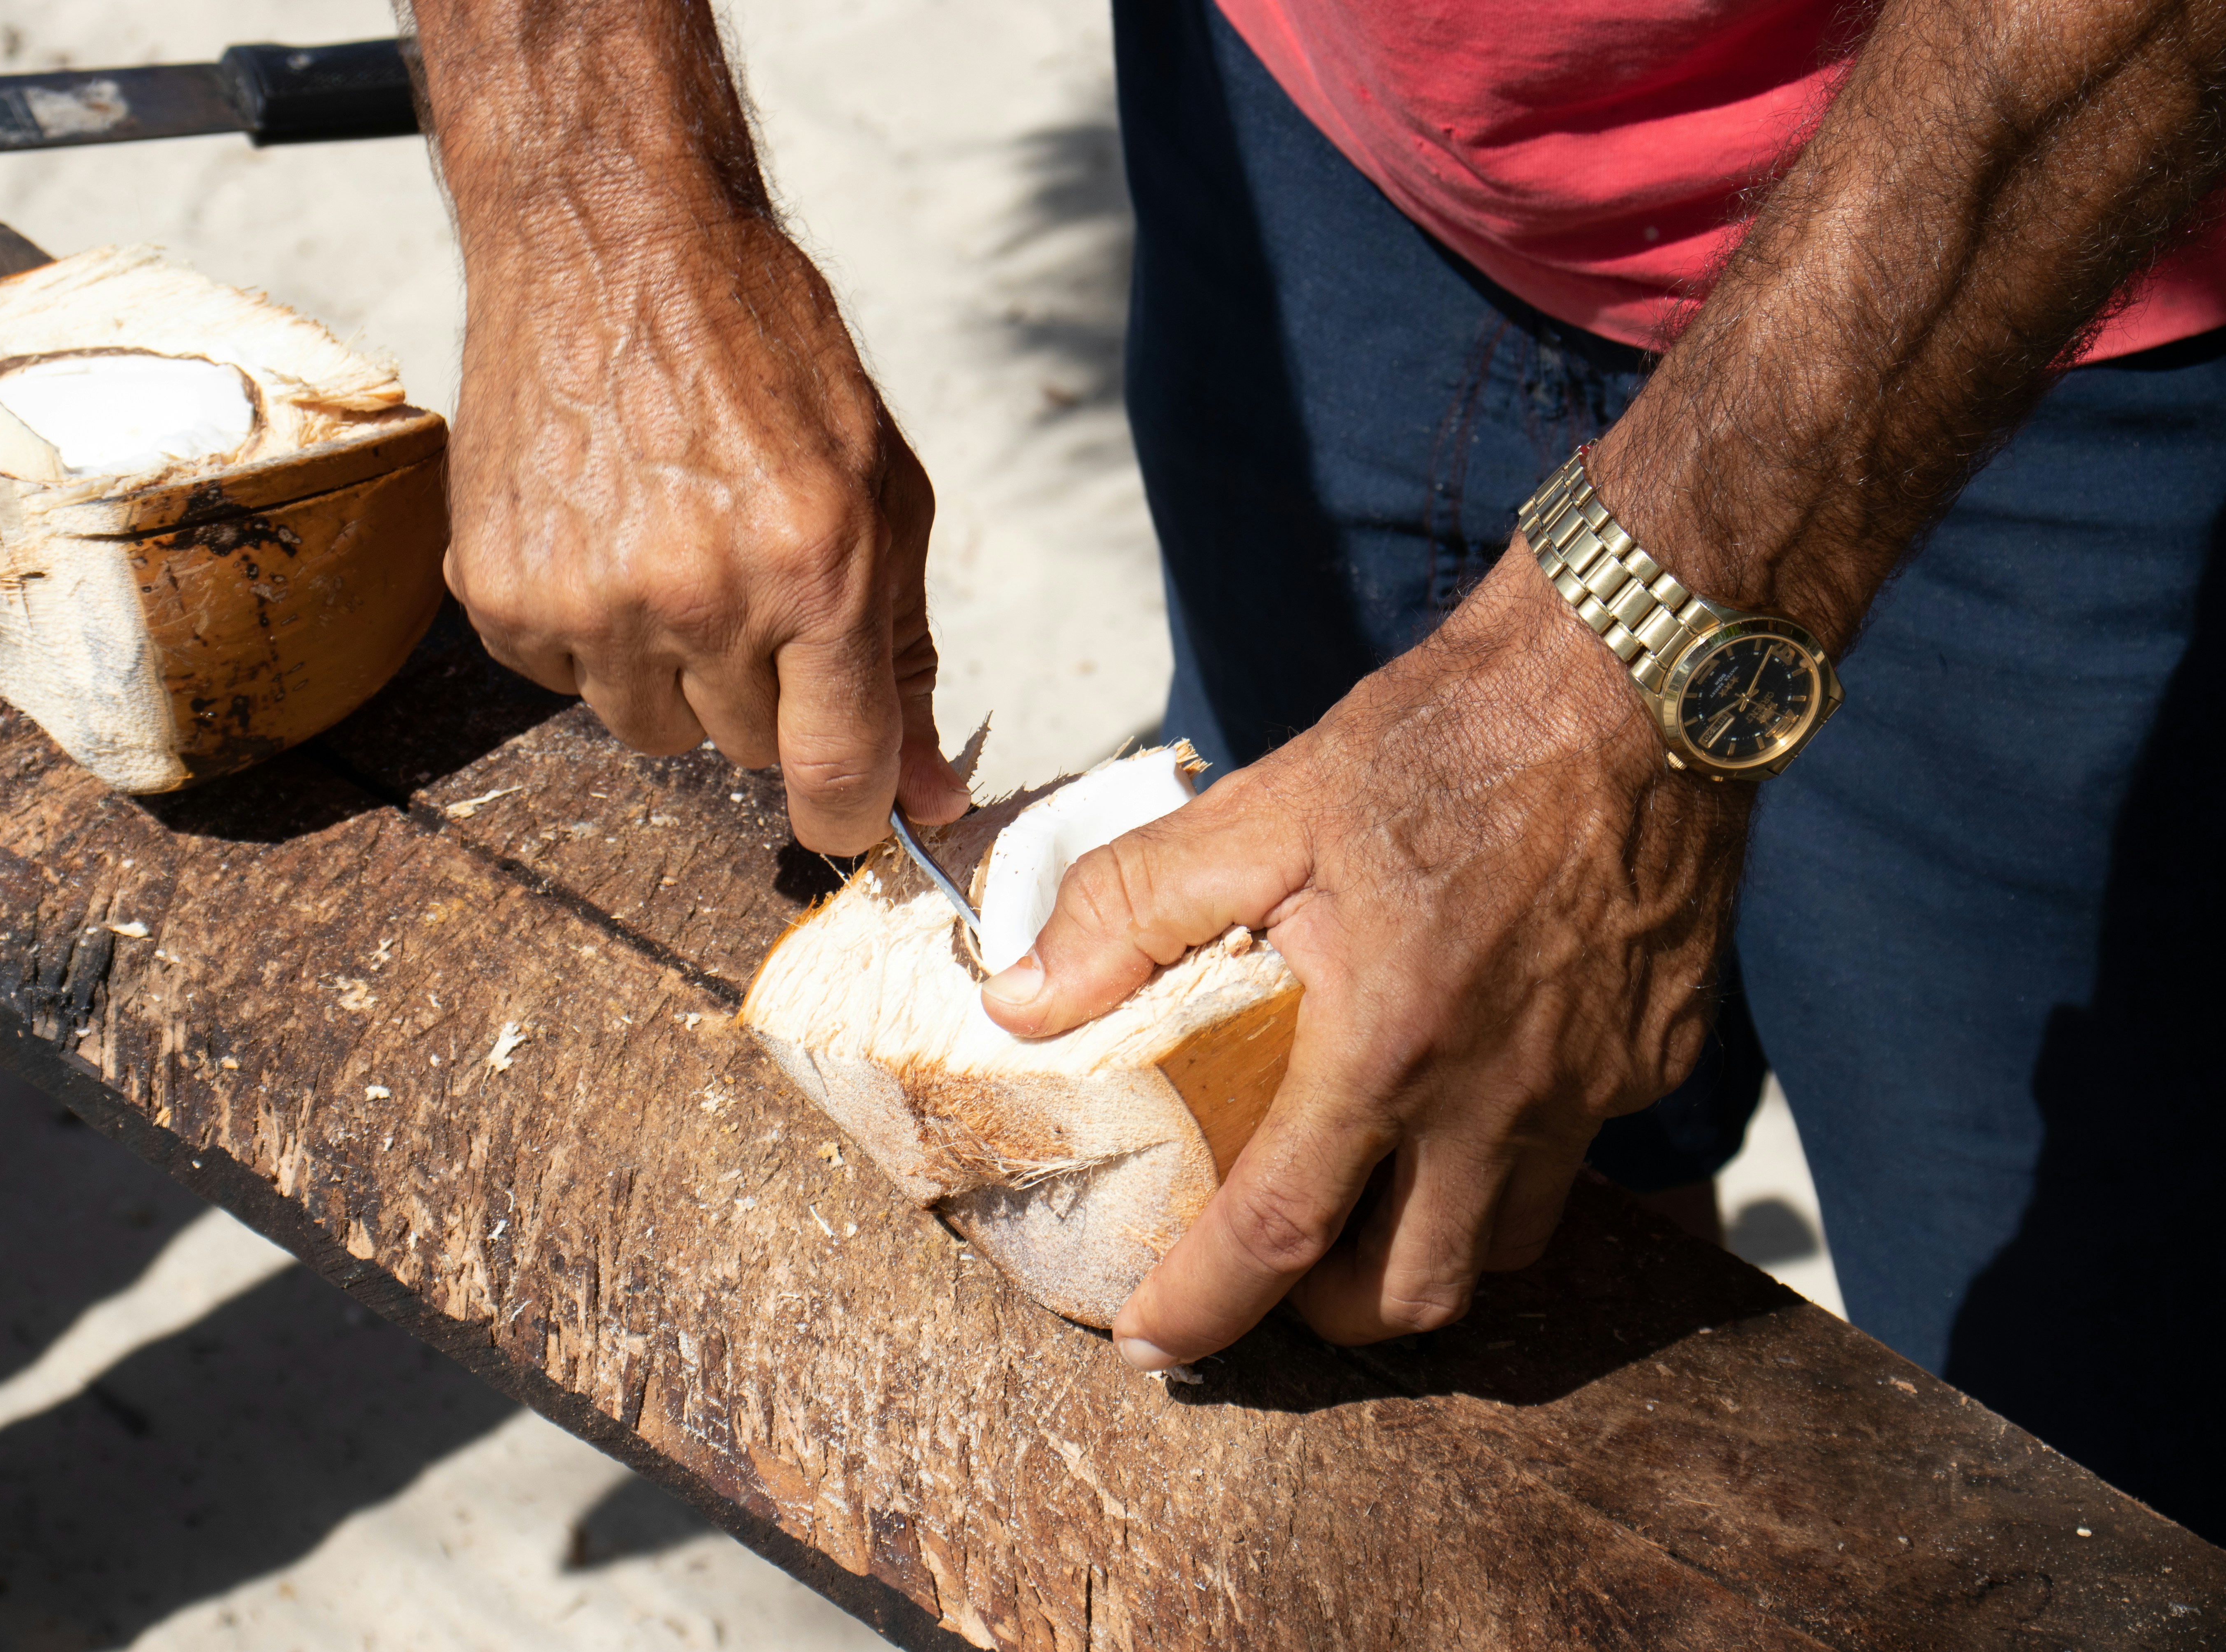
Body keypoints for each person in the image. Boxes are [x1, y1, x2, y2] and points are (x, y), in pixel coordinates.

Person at [402, 0, 2226, 1537]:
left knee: (2080, 1466)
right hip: (1317, 136)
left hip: (2089, 236)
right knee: (1398, 1220)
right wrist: (585, 168)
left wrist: (1639, 641)